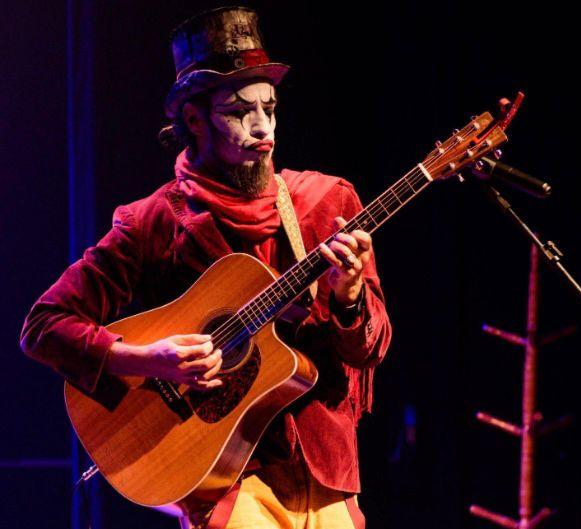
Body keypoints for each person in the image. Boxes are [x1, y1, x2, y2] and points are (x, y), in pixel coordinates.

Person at [20, 6, 391, 529]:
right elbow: (44, 326)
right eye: (240, 111)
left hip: (323, 466)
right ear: (193, 120)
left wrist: (349, 298)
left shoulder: (324, 203)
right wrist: (149, 360)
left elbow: (369, 351)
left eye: (270, 107)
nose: (262, 126)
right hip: (226, 480)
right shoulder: (153, 220)